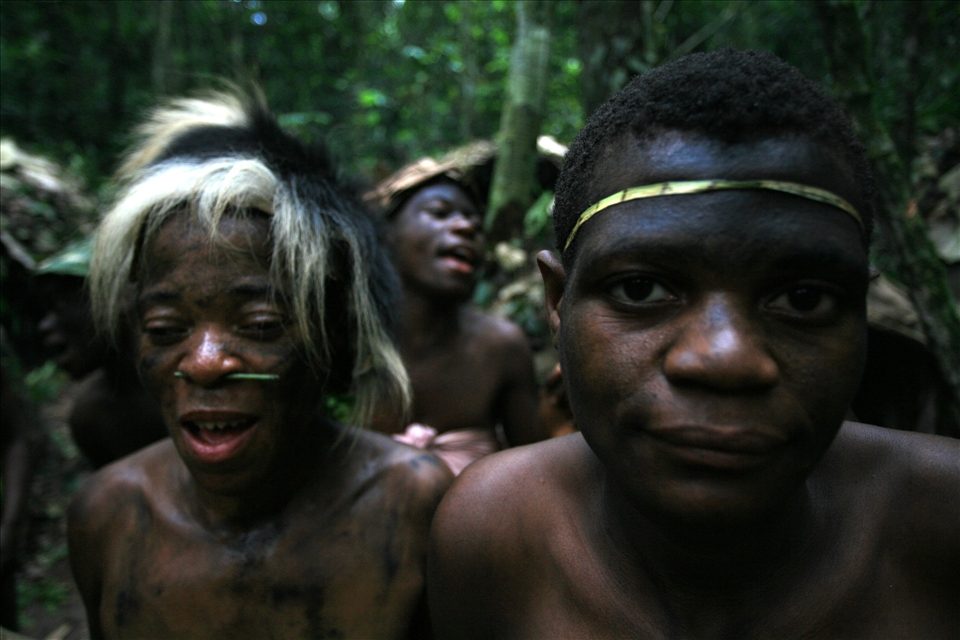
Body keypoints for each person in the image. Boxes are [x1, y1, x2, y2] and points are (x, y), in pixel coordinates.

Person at [428, 49, 960, 638]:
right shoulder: (493, 532)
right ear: (558, 301)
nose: (726, 359)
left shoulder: (942, 525)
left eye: (803, 300)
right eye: (641, 287)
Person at [68, 89, 452, 640]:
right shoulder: (106, 518)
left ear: (335, 334)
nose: (203, 365)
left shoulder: (415, 507)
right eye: (165, 331)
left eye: (260, 326)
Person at [366, 162, 545, 475]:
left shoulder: (500, 348)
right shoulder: (341, 343)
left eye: (476, 226)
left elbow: (536, 477)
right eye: (439, 213)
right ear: (385, 233)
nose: (465, 228)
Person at [35, 242, 167, 468]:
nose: (44, 326)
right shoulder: (92, 419)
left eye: (59, 306)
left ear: (117, 300)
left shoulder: (190, 374)